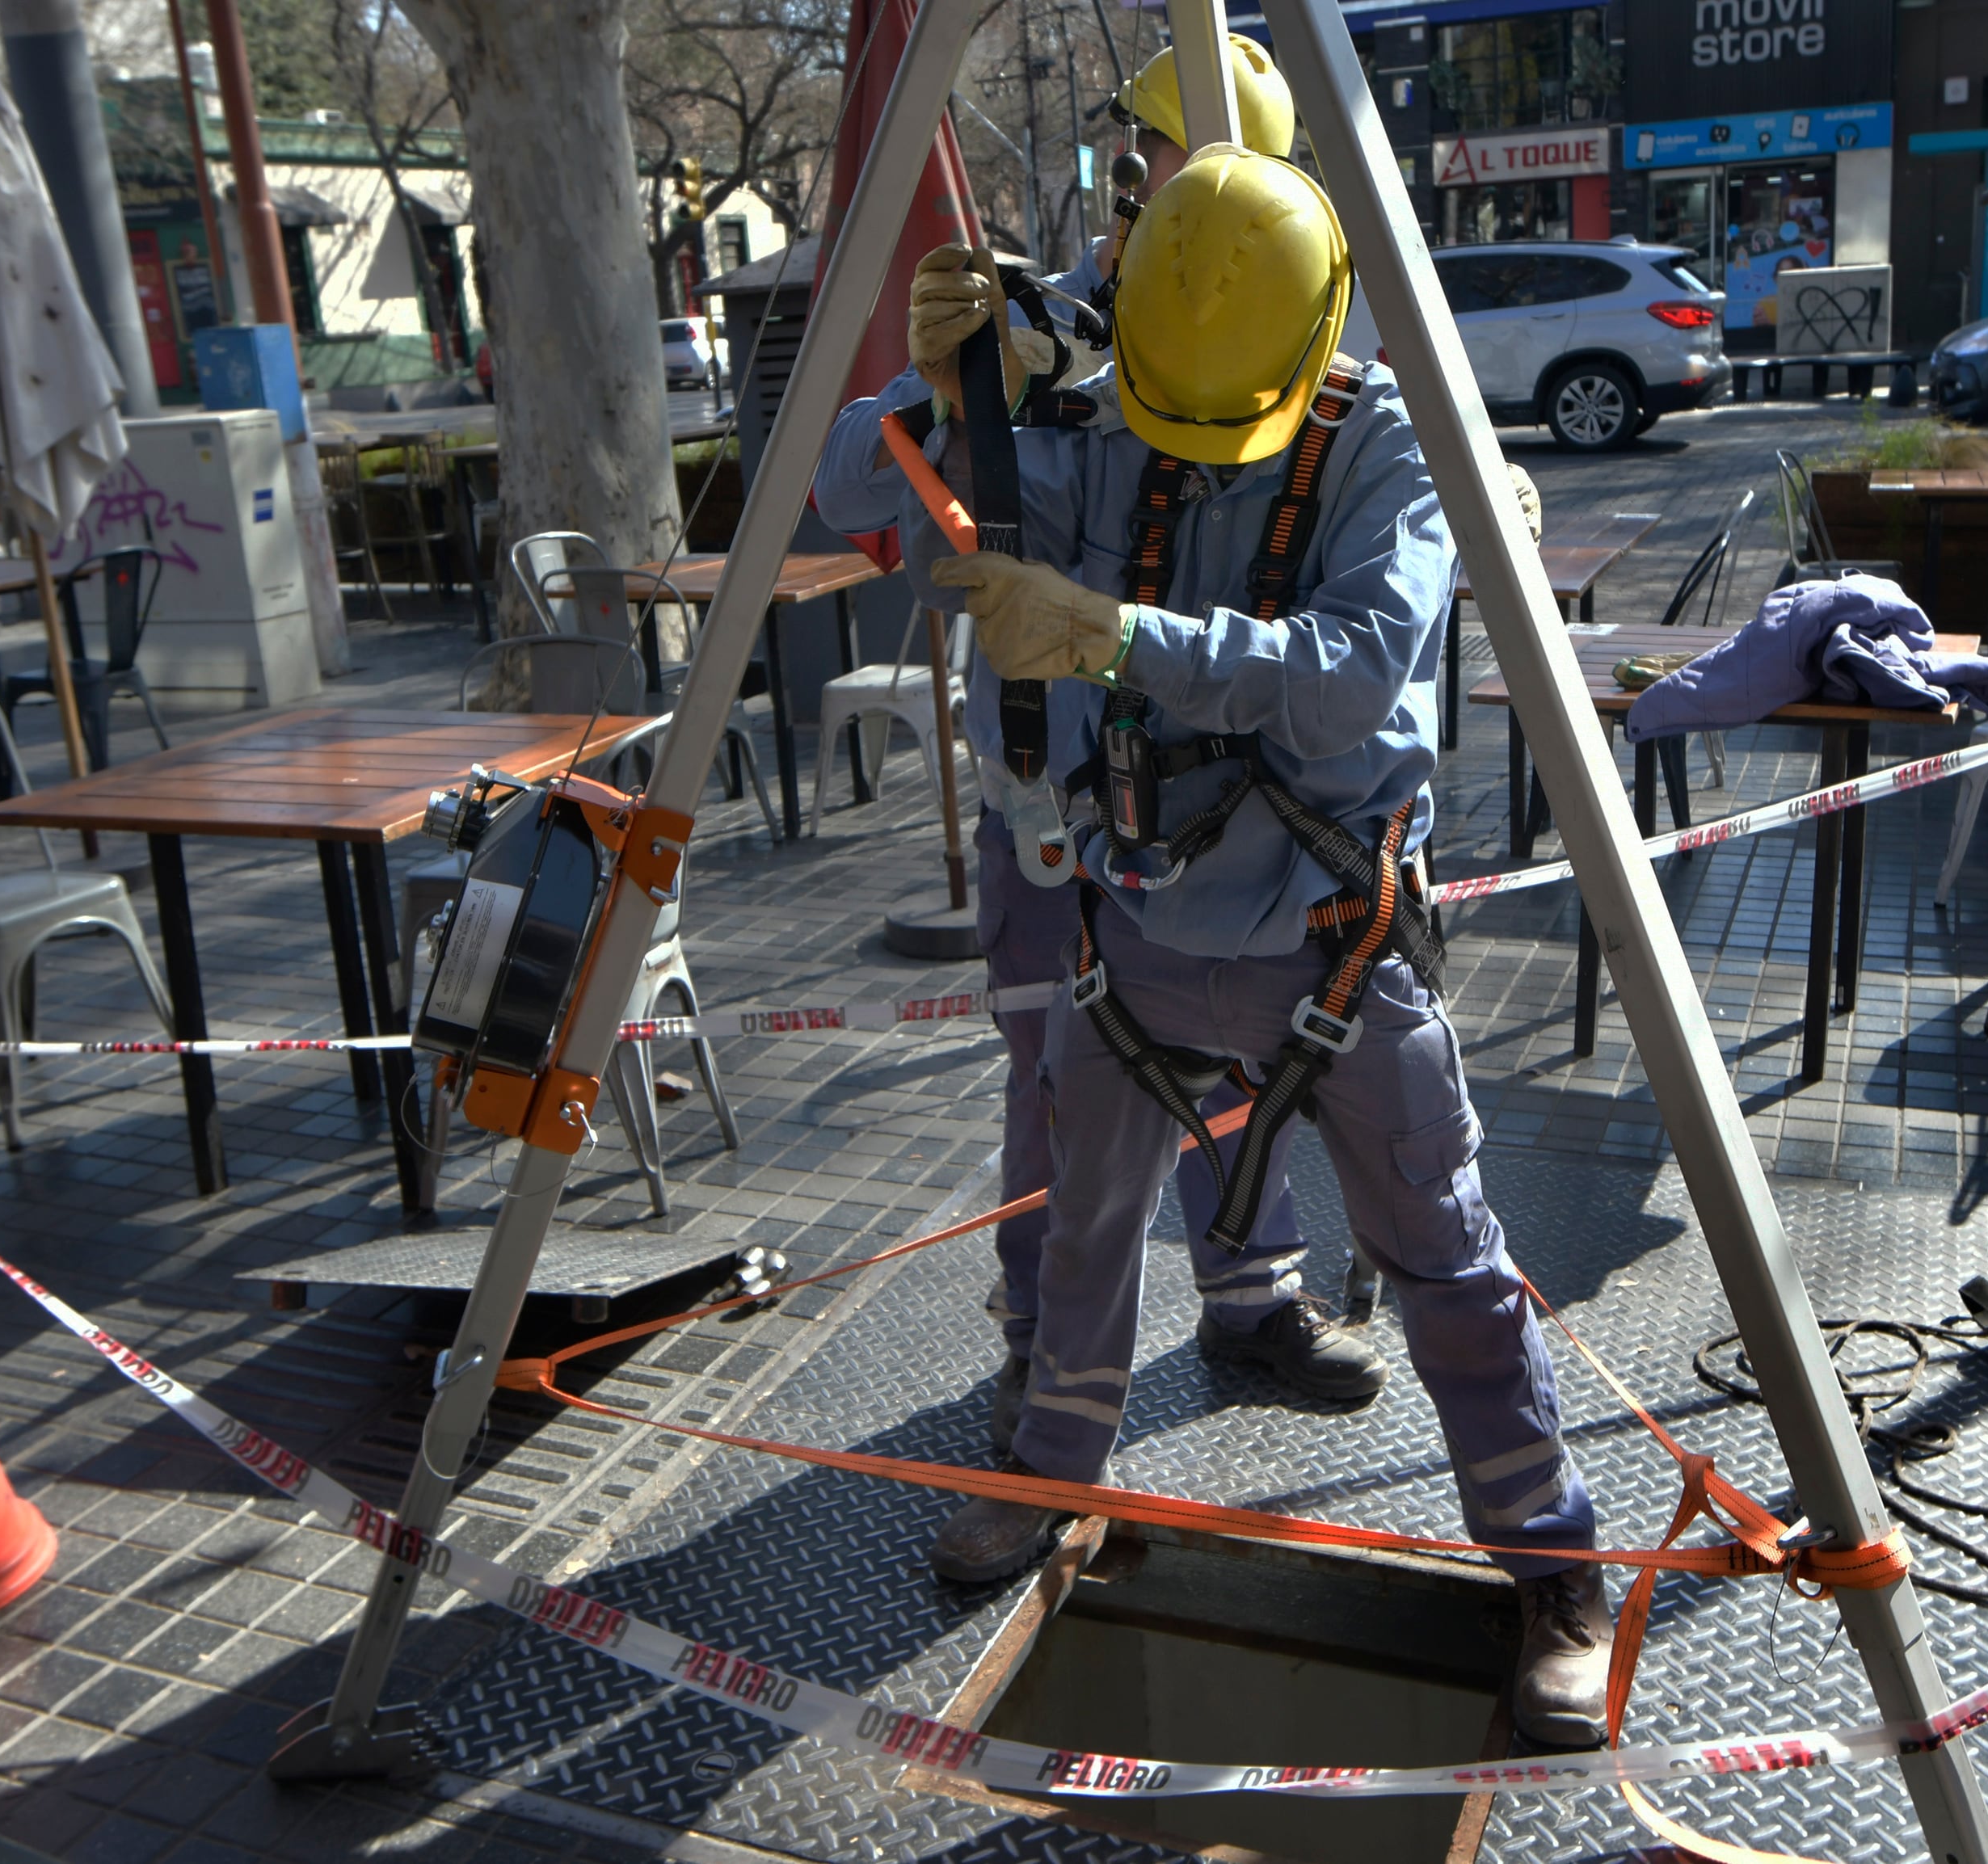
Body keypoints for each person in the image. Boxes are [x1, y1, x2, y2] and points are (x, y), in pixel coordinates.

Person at [815, 139, 1613, 1749]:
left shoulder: (1393, 445)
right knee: (1085, 1237)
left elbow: (1345, 674)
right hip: (1137, 941)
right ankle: (1048, 1479)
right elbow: (852, 499)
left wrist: (1112, 632)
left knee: (1445, 1259)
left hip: (1332, 945)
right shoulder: (1118, 424)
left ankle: (1554, 1565)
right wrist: (928, 383)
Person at [818, 36, 1390, 1467]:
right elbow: (842, 491)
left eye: (1167, 181)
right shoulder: (1042, 331)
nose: (1139, 213)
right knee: (1054, 1088)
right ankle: (1041, 1348)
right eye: (1135, 179)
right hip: (1048, 810)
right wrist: (947, 393)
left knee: (1239, 1073)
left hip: (1220, 816)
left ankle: (1251, 1300)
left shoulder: (1291, 345)